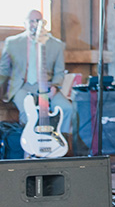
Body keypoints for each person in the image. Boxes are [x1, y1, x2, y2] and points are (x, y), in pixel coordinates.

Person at [0, 10, 73, 142]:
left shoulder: (56, 44)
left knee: (67, 108)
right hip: (21, 86)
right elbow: (3, 69)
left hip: (47, 86)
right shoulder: (12, 42)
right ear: (25, 23)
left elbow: (59, 71)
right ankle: (30, 146)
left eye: (38, 21)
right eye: (31, 21)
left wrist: (55, 87)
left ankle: (61, 143)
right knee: (29, 114)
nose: (35, 24)